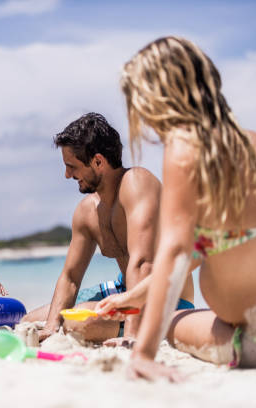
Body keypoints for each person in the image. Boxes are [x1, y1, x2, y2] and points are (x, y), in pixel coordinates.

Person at [118, 36, 256, 381]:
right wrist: (131, 297)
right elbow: (215, 248)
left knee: (174, 323)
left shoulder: (184, 149)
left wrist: (143, 353)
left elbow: (176, 252)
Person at [22, 113, 195, 343]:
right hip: (122, 290)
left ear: (98, 162)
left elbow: (142, 262)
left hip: (166, 296)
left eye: (71, 166)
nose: (67, 175)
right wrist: (51, 327)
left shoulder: (136, 184)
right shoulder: (87, 211)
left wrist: (131, 335)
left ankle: (134, 327)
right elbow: (71, 277)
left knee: (79, 322)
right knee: (30, 321)